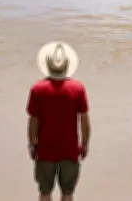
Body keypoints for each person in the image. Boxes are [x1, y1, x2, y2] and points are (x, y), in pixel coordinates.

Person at [26, 41, 91, 201]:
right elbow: (84, 120)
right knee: (68, 193)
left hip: (45, 149)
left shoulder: (37, 89)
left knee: (45, 192)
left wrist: (32, 144)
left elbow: (33, 121)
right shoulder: (78, 88)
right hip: (69, 149)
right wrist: (84, 143)